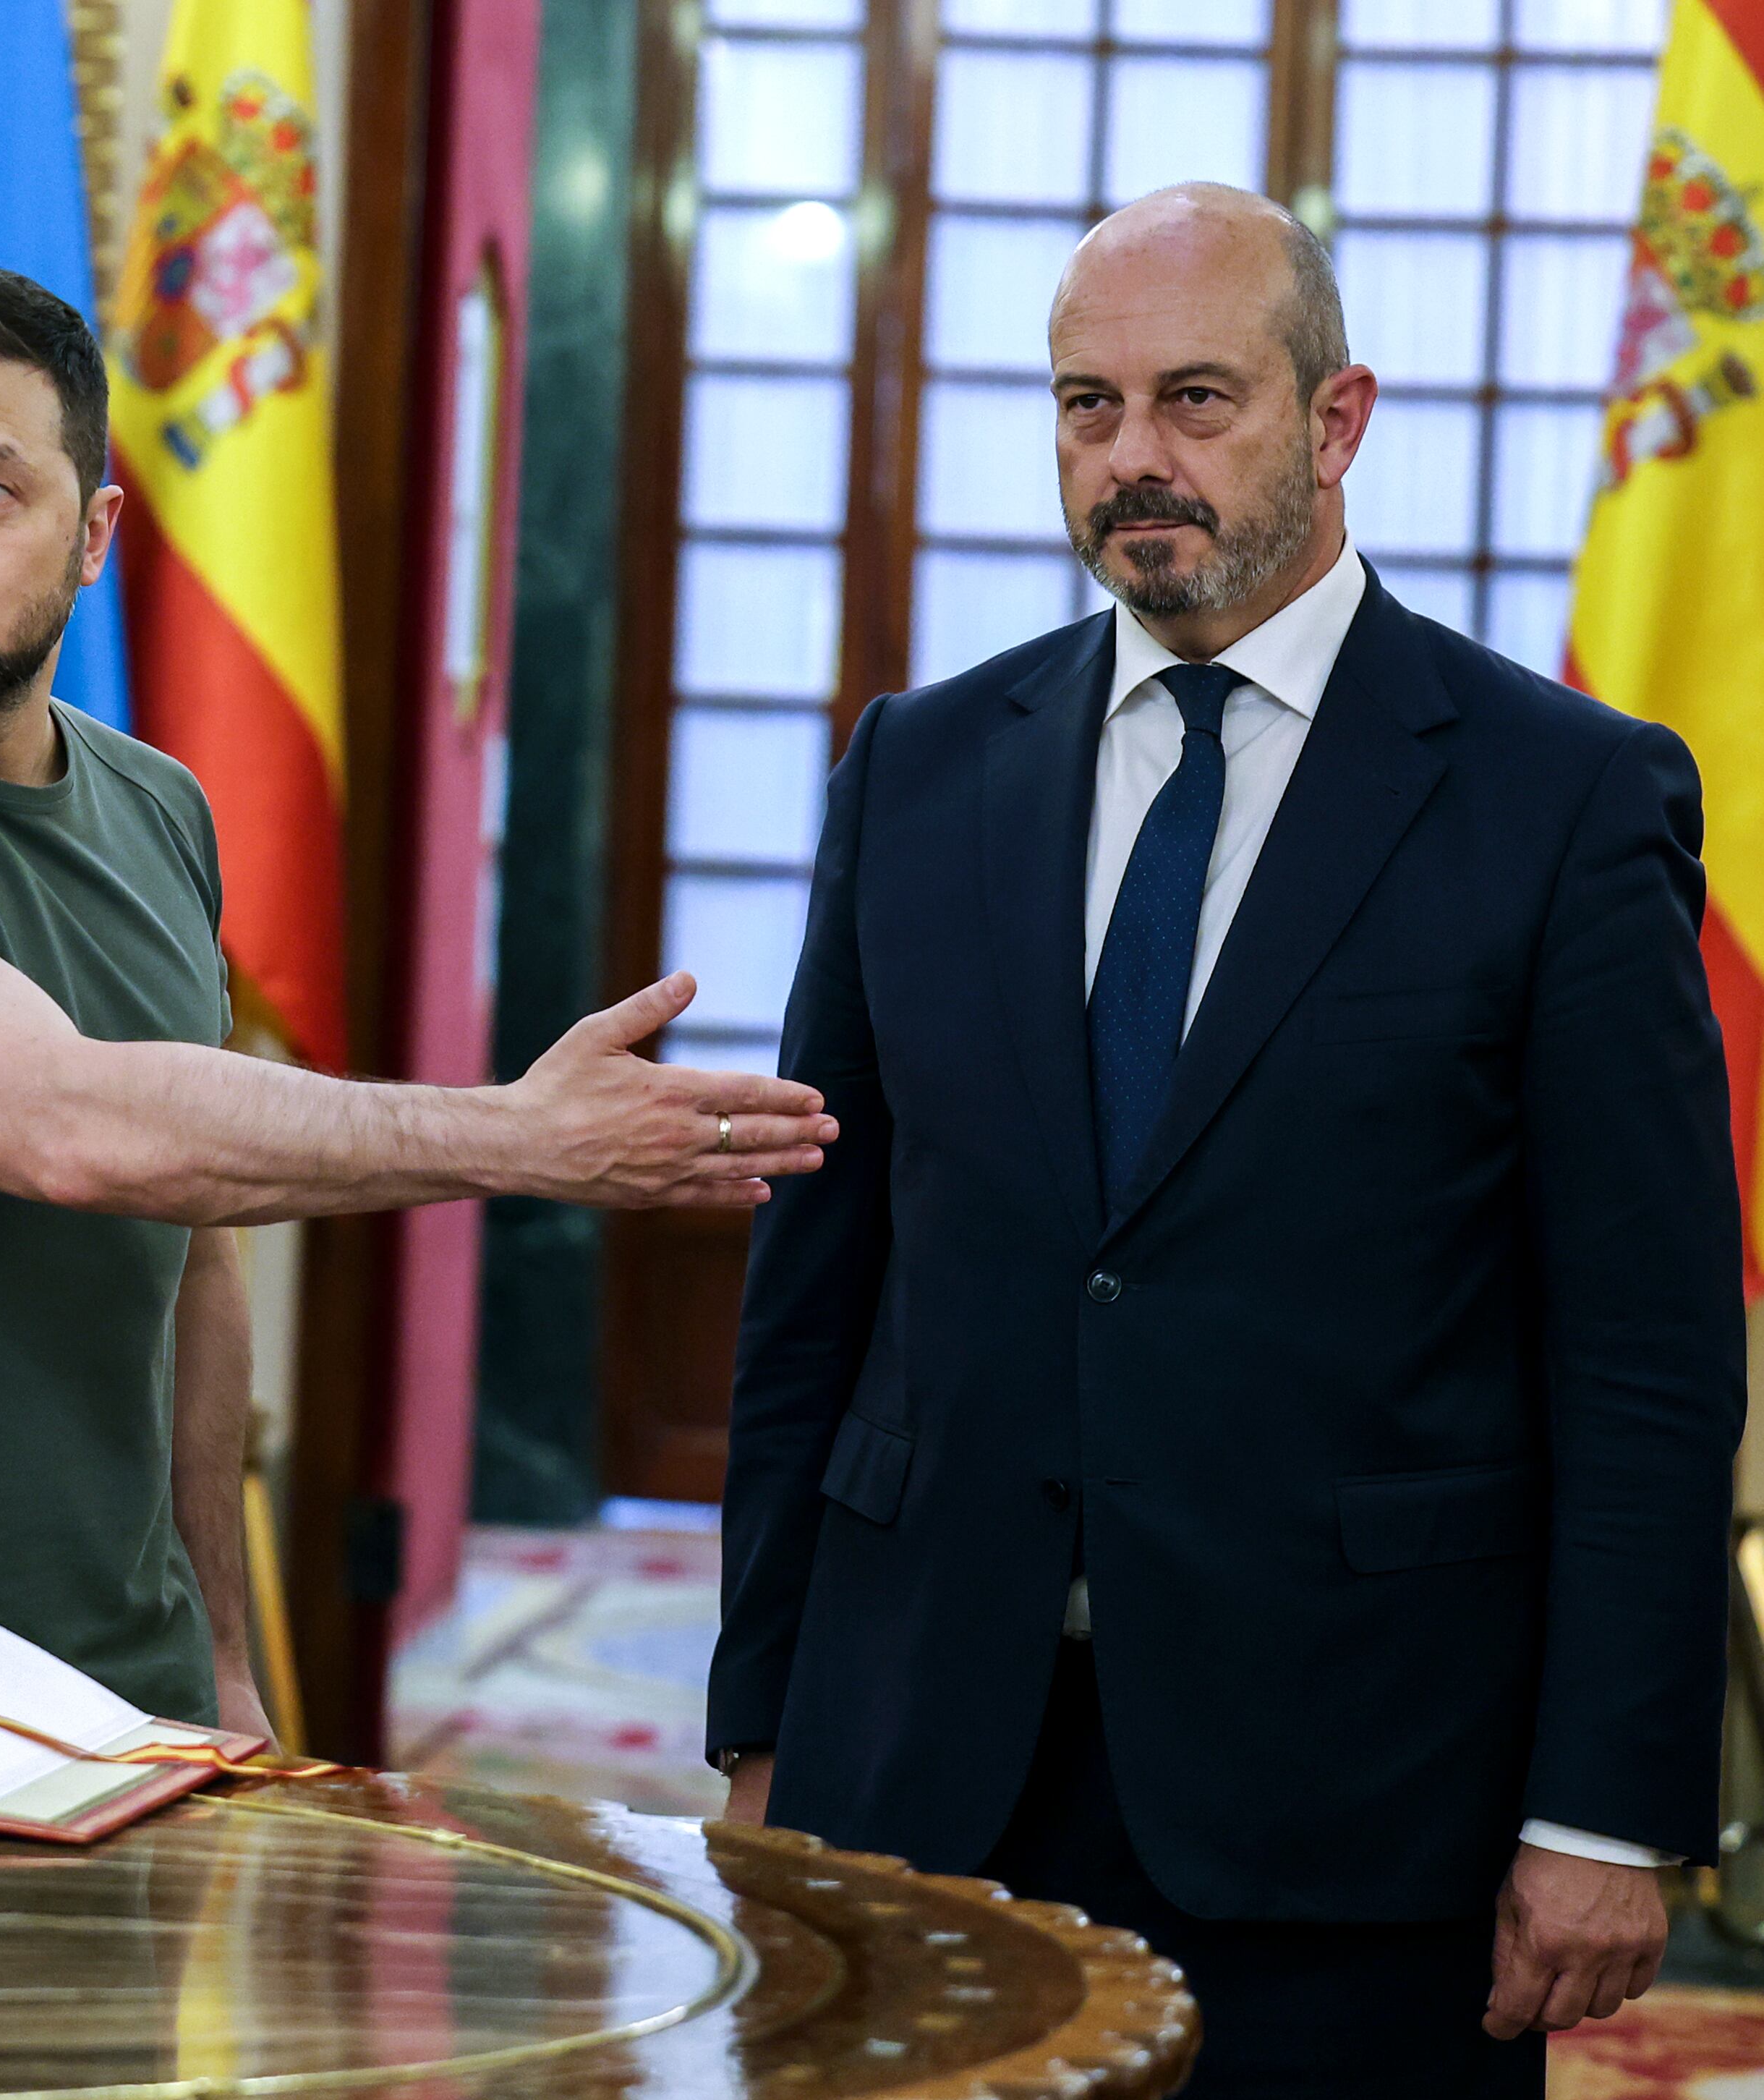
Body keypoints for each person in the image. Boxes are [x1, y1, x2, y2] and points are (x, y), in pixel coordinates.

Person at [707, 183, 1742, 2097]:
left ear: (1333, 420)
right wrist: (759, 1712)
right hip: (927, 1755)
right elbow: (818, 1290)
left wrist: (1598, 1811)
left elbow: (1643, 1355)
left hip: (1352, 1795)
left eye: (1194, 401)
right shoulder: (916, 769)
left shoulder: (1558, 801)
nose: (1131, 461)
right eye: (1083, 408)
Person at [0, 265, 836, 1742]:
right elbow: (69, 1128)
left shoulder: (158, 810)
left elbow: (194, 1266)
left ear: (93, 534)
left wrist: (220, 1658)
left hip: (108, 1704)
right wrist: (515, 1138)